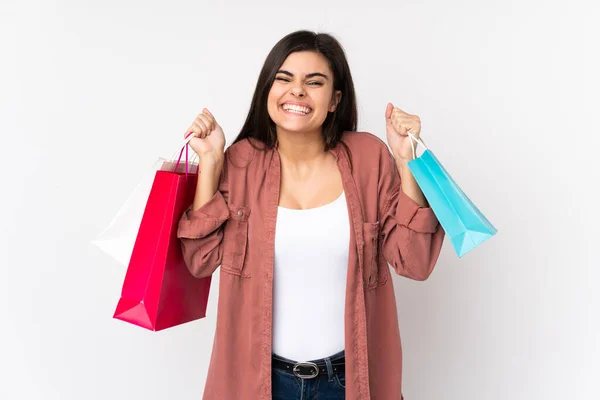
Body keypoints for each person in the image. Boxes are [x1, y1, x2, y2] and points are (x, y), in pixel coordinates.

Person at [177, 30, 445, 400]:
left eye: (314, 82)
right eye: (284, 79)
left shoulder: (368, 158)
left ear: (335, 99)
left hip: (349, 380)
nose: (297, 91)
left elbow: (414, 261)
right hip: (259, 382)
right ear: (267, 90)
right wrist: (210, 161)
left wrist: (407, 162)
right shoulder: (240, 162)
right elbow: (200, 260)